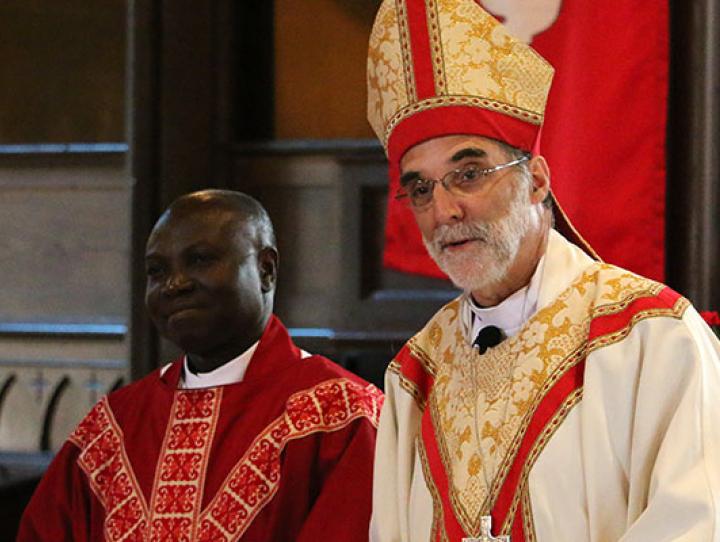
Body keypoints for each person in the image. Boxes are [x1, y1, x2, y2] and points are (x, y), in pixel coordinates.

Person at [366, 1, 720, 541]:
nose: (444, 211)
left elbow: (695, 524)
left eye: (469, 173)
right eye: (420, 188)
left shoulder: (651, 338)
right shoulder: (416, 375)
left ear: (536, 180)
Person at [18, 189, 383, 541]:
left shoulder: (343, 415)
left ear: (266, 269)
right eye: (157, 271)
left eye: (201, 260)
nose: (174, 284)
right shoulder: (113, 426)